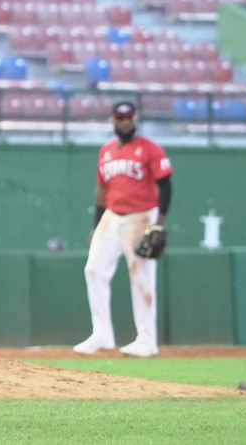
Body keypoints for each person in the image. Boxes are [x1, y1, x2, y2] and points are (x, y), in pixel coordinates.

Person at [74, 101, 172, 358]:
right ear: (113, 121)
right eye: (120, 118)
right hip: (112, 215)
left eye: (129, 117)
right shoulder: (106, 151)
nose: (125, 122)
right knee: (94, 270)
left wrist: (158, 223)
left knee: (141, 276)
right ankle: (102, 334)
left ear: (135, 119)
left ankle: (147, 340)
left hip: (141, 215)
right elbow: (101, 189)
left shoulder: (150, 148)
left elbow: (166, 186)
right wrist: (96, 225)